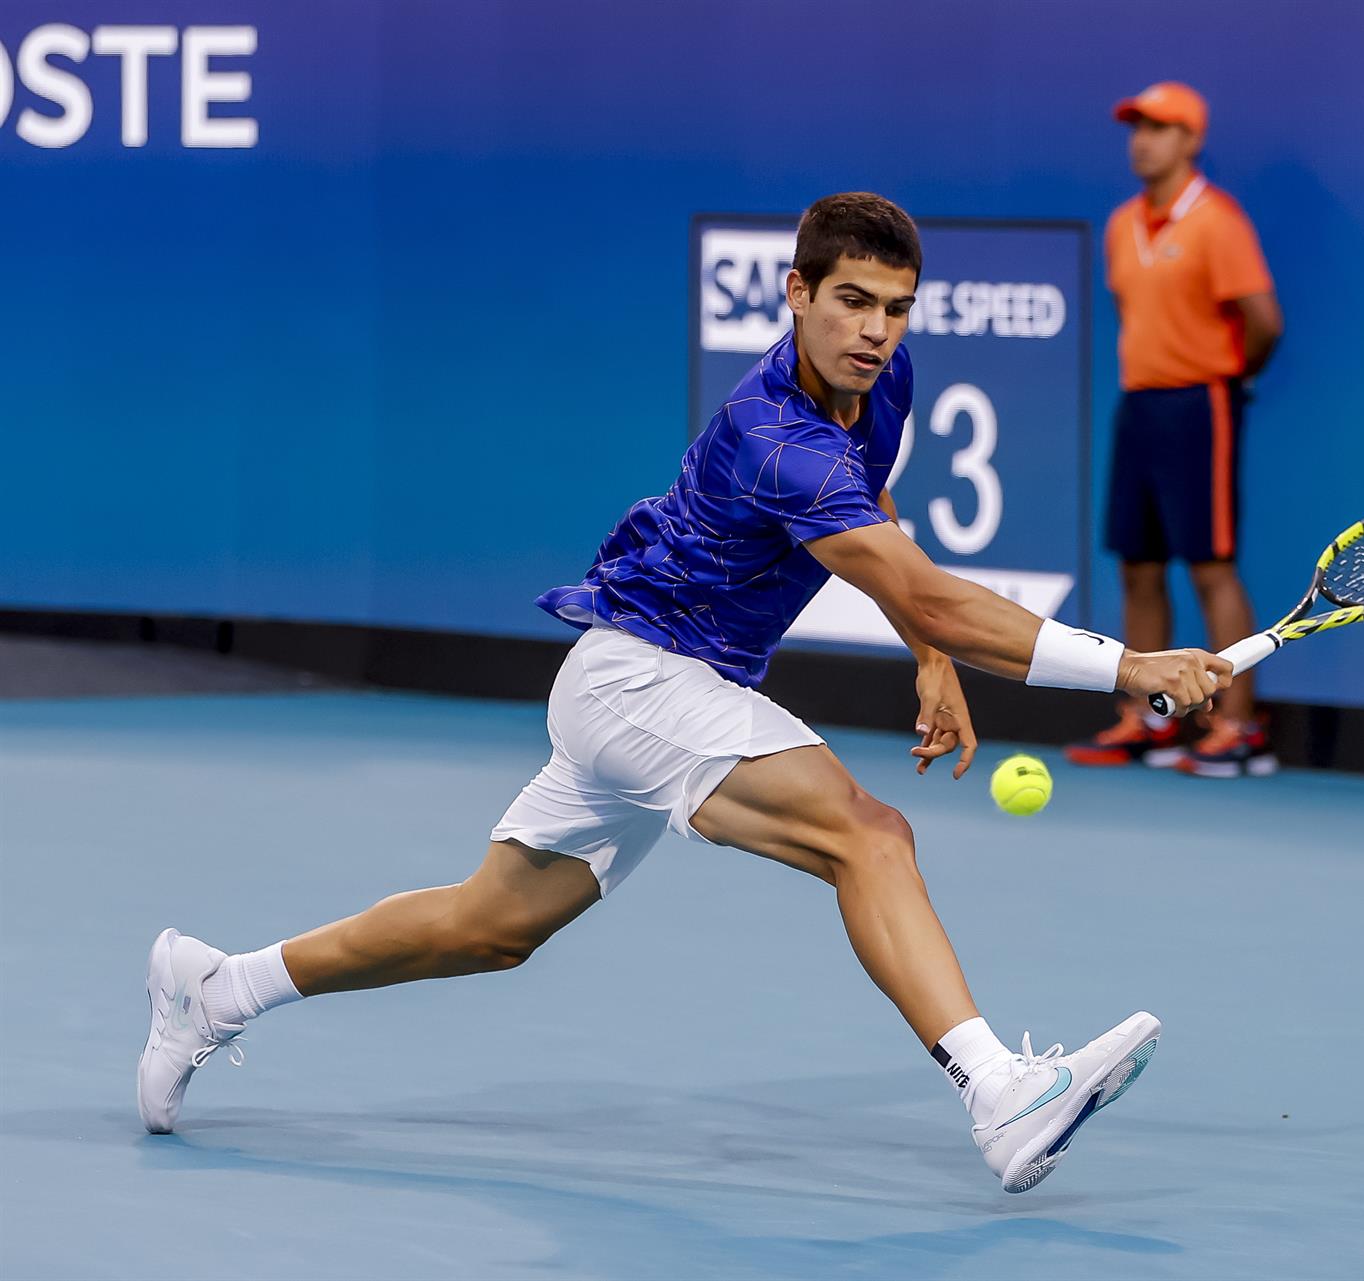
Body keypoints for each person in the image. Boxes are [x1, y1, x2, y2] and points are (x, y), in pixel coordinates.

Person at [137, 193, 1231, 1196]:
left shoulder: (879, 382)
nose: (875, 331)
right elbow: (925, 590)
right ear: (795, 294)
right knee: (870, 836)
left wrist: (931, 661)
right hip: (639, 678)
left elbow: (880, 518)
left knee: (491, 926)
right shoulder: (773, 438)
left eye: (895, 309)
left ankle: (218, 988)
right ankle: (999, 1094)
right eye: (851, 302)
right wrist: (1128, 667)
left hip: (655, 689)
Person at [1067, 82, 1284, 778]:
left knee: (1211, 565)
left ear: (1190, 140)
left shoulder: (1218, 221)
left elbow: (1263, 322)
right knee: (1138, 565)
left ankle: (1237, 724)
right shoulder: (1120, 224)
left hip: (1201, 405)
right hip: (1141, 407)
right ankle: (1149, 716)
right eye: (1136, 126)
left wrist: (1224, 378)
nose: (1142, 140)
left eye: (1159, 128)